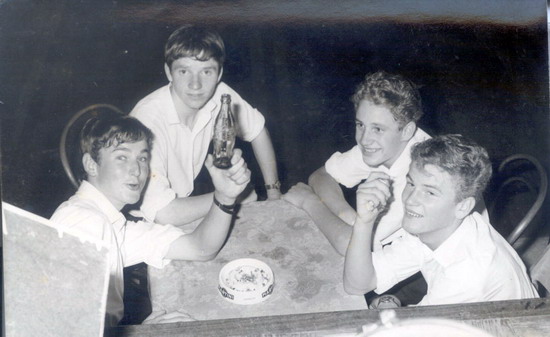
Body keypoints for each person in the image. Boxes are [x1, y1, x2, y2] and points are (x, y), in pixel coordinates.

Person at [50, 115, 251, 327]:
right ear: (91, 165)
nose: (137, 170)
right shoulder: (84, 224)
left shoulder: (112, 223)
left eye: (142, 158)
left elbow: (199, 248)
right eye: (122, 157)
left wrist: (225, 197)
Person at [343, 134, 539, 305]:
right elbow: (358, 284)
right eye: (411, 183)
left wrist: (391, 310)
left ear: (463, 207)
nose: (410, 200)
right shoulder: (433, 225)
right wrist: (364, 221)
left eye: (430, 192)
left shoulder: (466, 274)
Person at [130, 25, 280, 226]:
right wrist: (232, 195)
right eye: (184, 71)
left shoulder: (219, 94)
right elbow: (163, 213)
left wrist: (274, 193)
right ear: (169, 72)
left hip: (181, 203)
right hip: (139, 220)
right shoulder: (148, 121)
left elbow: (258, 131)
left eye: (206, 72)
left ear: (218, 75)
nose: (196, 85)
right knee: (247, 202)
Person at [283, 71, 430, 255]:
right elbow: (321, 176)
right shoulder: (384, 145)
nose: (364, 139)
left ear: (407, 131)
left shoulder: (419, 179)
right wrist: (348, 215)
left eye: (377, 129)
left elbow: (352, 247)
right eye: (360, 125)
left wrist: (309, 202)